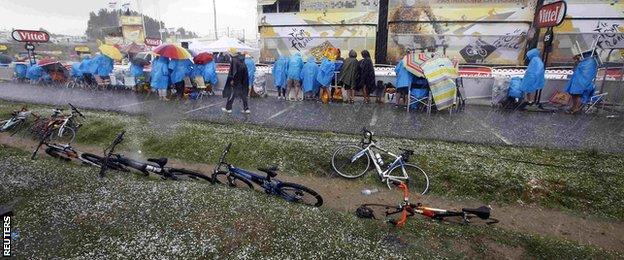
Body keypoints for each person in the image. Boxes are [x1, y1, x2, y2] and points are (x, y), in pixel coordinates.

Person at [222, 48, 250, 113]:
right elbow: (244, 70)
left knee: (232, 93)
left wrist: (232, 79)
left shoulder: (234, 60)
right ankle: (246, 109)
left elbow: (233, 71)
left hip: (236, 80)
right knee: (243, 94)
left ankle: (228, 108)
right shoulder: (242, 60)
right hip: (242, 81)